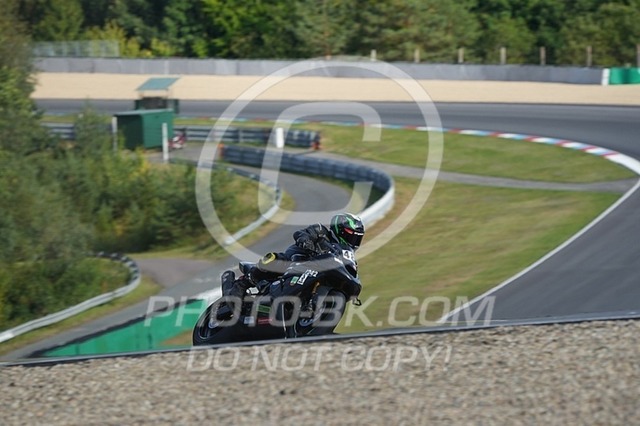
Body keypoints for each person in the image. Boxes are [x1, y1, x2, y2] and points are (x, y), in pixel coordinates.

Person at [222, 212, 365, 299]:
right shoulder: (321, 231)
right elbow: (301, 233)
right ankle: (243, 283)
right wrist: (305, 240)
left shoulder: (345, 254)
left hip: (317, 272)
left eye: (357, 238)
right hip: (297, 259)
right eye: (351, 235)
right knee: (274, 259)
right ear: (339, 230)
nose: (353, 240)